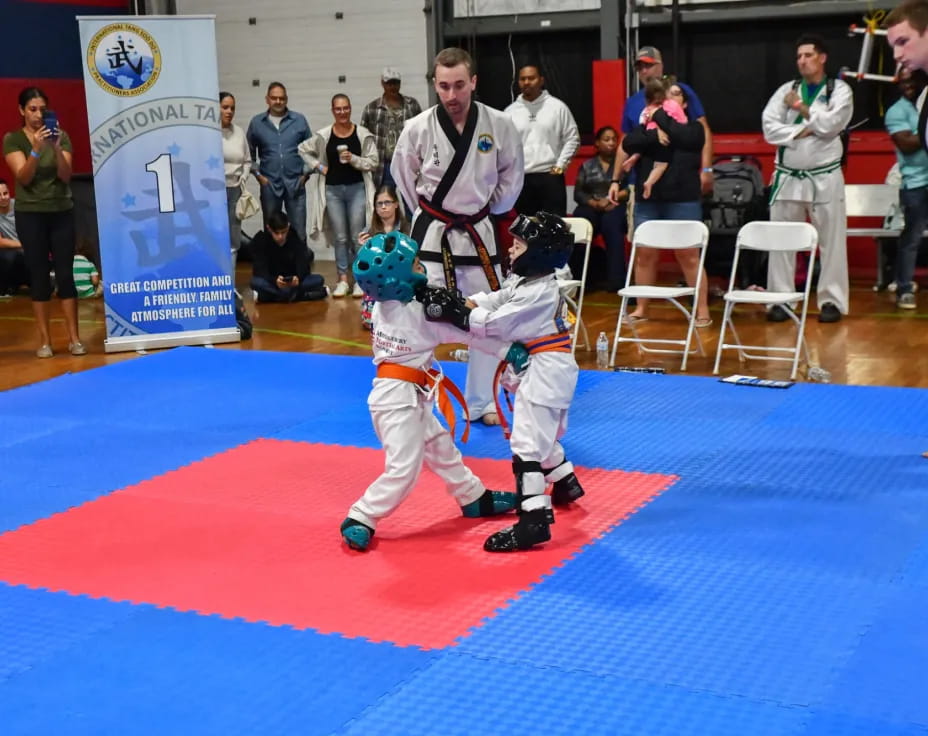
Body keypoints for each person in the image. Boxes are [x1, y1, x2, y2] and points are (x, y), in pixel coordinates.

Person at [340, 231, 520, 552]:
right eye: (417, 264)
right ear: (400, 279)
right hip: (397, 402)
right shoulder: (421, 313)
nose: (422, 268)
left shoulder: (383, 306)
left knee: (440, 446)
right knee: (404, 470)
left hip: (408, 395)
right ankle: (361, 516)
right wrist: (509, 351)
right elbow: (473, 336)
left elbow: (444, 306)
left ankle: (473, 496)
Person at [421, 212, 585, 552]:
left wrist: (456, 314)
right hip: (539, 368)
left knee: (527, 446)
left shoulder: (538, 293)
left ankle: (533, 522)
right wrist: (460, 301)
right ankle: (565, 481)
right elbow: (493, 300)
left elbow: (494, 324)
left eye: (519, 245)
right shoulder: (524, 283)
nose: (511, 249)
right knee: (540, 433)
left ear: (537, 253)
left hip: (546, 371)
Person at [391, 47, 524, 426]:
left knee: (484, 319)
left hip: (478, 232)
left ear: (474, 83)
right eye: (444, 86)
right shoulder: (416, 127)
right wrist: (432, 211)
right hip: (433, 234)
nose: (452, 95)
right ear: (435, 84)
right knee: (421, 319)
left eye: (460, 86)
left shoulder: (500, 125)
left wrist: (485, 211)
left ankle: (480, 402)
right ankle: (423, 400)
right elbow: (404, 178)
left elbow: (512, 178)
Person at [762, 34, 853, 324]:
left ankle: (831, 301)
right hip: (788, 175)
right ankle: (780, 300)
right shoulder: (785, 90)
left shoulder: (839, 90)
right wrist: (804, 129)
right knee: (781, 240)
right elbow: (769, 129)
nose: (802, 61)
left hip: (825, 176)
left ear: (822, 57)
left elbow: (832, 124)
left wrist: (802, 109)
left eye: (808, 55)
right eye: (799, 56)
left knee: (831, 242)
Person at [611, 80, 712, 326]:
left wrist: (660, 120)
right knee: (644, 253)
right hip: (650, 199)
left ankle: (702, 310)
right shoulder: (650, 125)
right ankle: (642, 307)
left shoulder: (693, 130)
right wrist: (652, 133)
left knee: (688, 254)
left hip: (683, 198)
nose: (669, 99)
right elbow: (629, 143)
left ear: (685, 104)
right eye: (667, 95)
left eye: (676, 95)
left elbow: (682, 138)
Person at [2, 86, 85, 357]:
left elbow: (65, 175)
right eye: (32, 109)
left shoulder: (61, 136)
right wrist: (36, 150)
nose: (38, 115)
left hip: (61, 211)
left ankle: (74, 339)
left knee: (65, 274)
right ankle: (45, 342)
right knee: (38, 276)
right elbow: (23, 177)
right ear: (22, 111)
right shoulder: (13, 139)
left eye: (42, 110)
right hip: (31, 214)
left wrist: (57, 148)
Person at [299, 94, 378, 298]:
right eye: (338, 109)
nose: (342, 112)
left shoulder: (362, 134)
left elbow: (373, 161)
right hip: (332, 191)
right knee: (340, 237)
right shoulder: (324, 135)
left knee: (358, 236)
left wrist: (354, 159)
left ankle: (360, 280)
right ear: (333, 111)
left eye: (346, 108)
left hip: (357, 189)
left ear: (350, 109)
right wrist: (318, 166)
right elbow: (303, 150)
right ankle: (343, 279)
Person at [617, 46, 715, 197]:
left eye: (649, 66)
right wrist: (615, 181)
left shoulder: (679, 91)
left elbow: (703, 130)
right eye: (640, 67)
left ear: (661, 66)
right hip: (644, 184)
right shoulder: (633, 102)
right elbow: (625, 141)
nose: (644, 71)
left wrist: (707, 169)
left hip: (681, 184)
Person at [505, 63, 580, 216]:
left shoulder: (557, 107)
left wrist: (561, 165)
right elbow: (504, 146)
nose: (526, 82)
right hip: (522, 179)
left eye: (531, 78)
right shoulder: (510, 112)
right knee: (526, 230)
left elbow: (572, 138)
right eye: (522, 79)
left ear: (541, 80)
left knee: (555, 228)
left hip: (550, 177)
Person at [246, 82, 312, 246]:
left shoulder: (299, 120)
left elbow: (312, 150)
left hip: (295, 183)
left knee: (298, 230)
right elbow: (248, 153)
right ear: (267, 99)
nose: (278, 101)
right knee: (271, 229)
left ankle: (300, 269)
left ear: (286, 99)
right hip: (270, 184)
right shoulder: (257, 123)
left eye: (281, 98)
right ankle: (272, 270)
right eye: (274, 98)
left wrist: (305, 175)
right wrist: (259, 176)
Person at [885, 69, 928, 308]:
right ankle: (904, 288)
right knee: (911, 238)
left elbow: (916, 138)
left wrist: (919, 133)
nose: (907, 85)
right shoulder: (896, 111)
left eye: (912, 80)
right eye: (903, 81)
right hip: (915, 184)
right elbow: (907, 144)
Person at [570, 127, 629, 292]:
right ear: (597, 143)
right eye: (606, 139)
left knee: (613, 227)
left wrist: (614, 198)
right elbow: (579, 193)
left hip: (615, 205)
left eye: (613, 140)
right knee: (582, 222)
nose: (611, 143)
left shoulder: (624, 164)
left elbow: (632, 188)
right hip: (592, 206)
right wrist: (594, 203)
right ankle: (580, 280)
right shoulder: (587, 166)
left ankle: (616, 281)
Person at [622, 77, 688, 200]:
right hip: (663, 142)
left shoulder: (647, 108)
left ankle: (634, 156)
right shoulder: (671, 106)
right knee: (661, 165)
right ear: (666, 94)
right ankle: (650, 182)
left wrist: (651, 130)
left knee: (642, 149)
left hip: (648, 133)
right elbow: (682, 122)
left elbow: (642, 122)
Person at [359, 67, 423, 189]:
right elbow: (363, 139)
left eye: (396, 83)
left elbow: (422, 133)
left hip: (407, 164)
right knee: (385, 202)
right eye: (389, 83)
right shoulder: (371, 109)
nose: (393, 87)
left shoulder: (412, 105)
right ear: (382, 83)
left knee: (411, 203)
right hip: (383, 166)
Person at [358, 184, 409, 329]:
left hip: (399, 279)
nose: (383, 207)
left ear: (396, 204)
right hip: (377, 282)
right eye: (379, 204)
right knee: (370, 324)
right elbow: (363, 265)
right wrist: (363, 249)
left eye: (387, 202)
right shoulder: (369, 230)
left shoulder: (406, 228)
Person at [249, 210, 326, 303]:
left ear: (288, 227)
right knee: (255, 282)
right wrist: (274, 281)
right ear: (269, 229)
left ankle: (268, 297)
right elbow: (259, 270)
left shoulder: (295, 238)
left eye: (283, 232)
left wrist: (298, 278)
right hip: (273, 282)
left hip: (293, 281)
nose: (280, 236)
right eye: (276, 233)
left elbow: (304, 265)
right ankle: (298, 296)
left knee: (319, 279)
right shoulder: (261, 240)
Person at [220, 91, 251, 281]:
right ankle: (218, 282)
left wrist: (244, 177)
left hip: (235, 190)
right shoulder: (209, 133)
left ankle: (230, 284)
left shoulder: (239, 132)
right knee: (216, 238)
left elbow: (247, 160)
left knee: (234, 238)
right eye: (225, 107)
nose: (229, 111)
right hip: (213, 192)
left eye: (232, 108)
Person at [0, 177, 27, 297]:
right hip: (10, 255)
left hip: (28, 254)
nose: (3, 197)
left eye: (5, 193)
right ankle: (7, 287)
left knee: (46, 288)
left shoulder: (20, 206)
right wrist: (23, 244)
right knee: (8, 256)